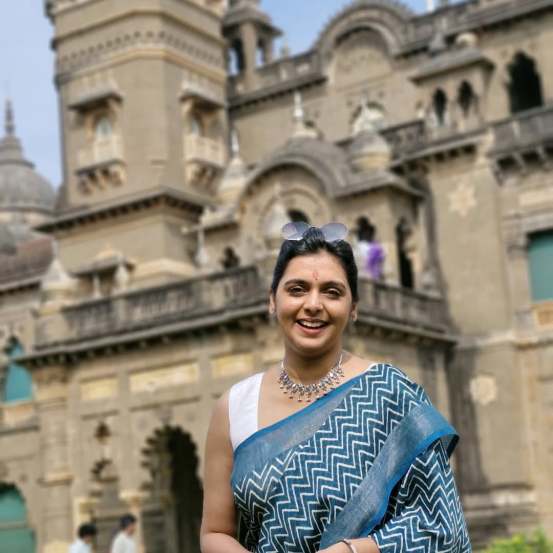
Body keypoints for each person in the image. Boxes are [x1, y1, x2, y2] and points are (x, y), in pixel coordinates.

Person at [200, 222, 471, 553]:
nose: (313, 304)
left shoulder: (390, 393)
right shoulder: (234, 407)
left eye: (332, 291)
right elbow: (215, 532)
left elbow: (443, 527)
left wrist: (353, 550)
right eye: (297, 289)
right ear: (273, 301)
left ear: (353, 308)